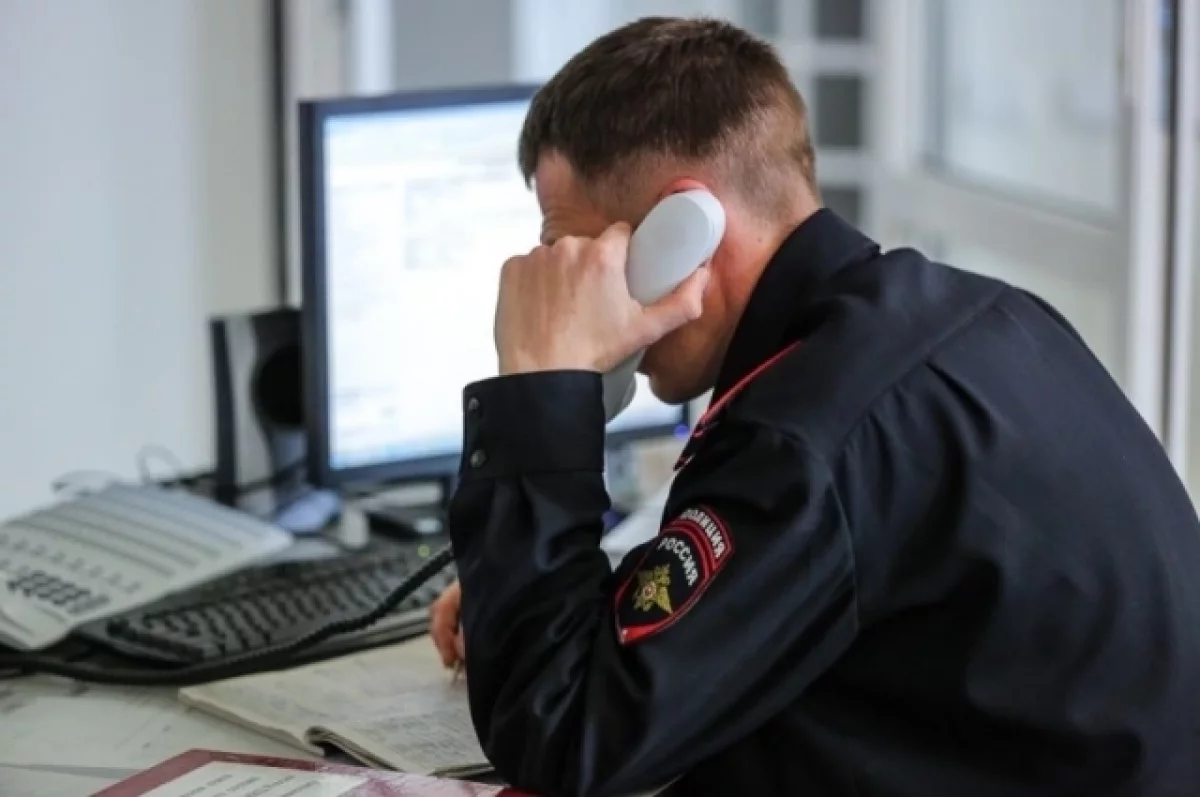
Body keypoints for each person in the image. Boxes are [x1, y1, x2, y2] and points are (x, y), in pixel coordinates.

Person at [430, 16, 1200, 797]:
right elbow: (773, 585)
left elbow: (561, 735)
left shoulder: (802, 433)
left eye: (577, 257)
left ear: (681, 233)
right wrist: (531, 587)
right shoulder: (977, 316)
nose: (573, 292)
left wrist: (541, 380)